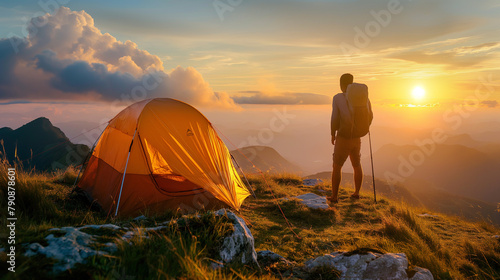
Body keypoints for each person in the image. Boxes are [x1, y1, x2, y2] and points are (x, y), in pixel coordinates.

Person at [328, 73, 373, 203]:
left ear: (341, 85)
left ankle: (334, 197)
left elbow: (335, 118)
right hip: (357, 137)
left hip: (343, 137)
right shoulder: (364, 98)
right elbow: (370, 116)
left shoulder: (337, 98)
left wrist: (332, 134)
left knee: (336, 167)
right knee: (356, 165)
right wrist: (364, 128)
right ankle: (356, 193)